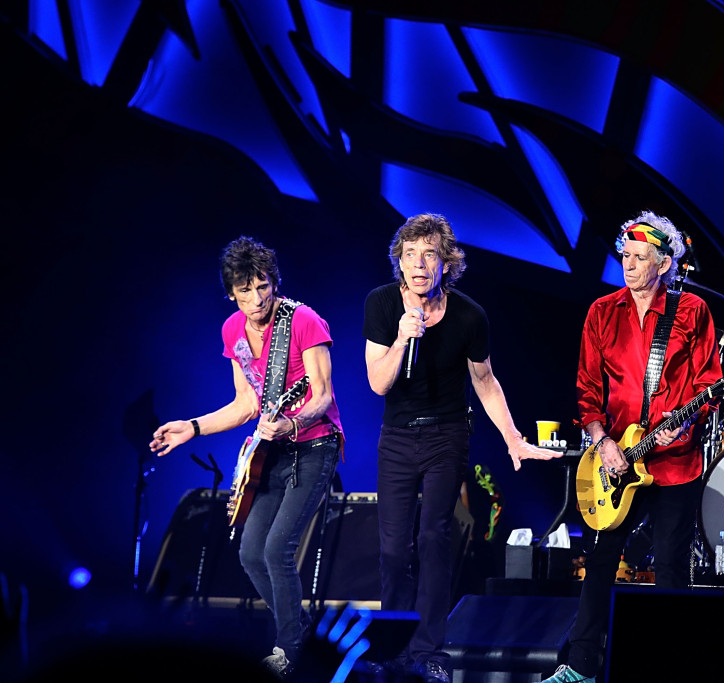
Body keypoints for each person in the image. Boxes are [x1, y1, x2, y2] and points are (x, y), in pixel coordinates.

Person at [362, 213, 561, 683]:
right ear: (399, 261)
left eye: (429, 254)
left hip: (447, 435)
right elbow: (377, 383)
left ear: (446, 263)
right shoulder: (381, 303)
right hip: (397, 437)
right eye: (410, 255)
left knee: (434, 538)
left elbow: (485, 382)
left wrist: (513, 438)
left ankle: (430, 651)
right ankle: (392, 648)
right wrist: (401, 339)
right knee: (393, 549)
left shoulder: (470, 316)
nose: (418, 264)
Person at [150, 236, 343, 678]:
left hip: (315, 445)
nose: (257, 299)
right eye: (245, 291)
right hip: (270, 453)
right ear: (232, 293)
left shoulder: (304, 320)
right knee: (252, 552)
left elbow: (322, 395)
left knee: (277, 549)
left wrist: (292, 423)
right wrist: (192, 427)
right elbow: (246, 403)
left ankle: (288, 650)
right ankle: (303, 634)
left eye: (263, 287)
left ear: (274, 283)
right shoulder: (232, 330)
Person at [543, 211, 723, 683]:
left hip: (675, 463)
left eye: (640, 257)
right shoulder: (602, 311)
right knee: (601, 561)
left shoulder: (692, 310)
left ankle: (665, 668)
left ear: (663, 263)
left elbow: (709, 384)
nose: (629, 264)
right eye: (625, 255)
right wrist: (602, 441)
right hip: (616, 461)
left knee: (670, 567)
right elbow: (587, 388)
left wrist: (682, 427)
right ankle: (580, 665)